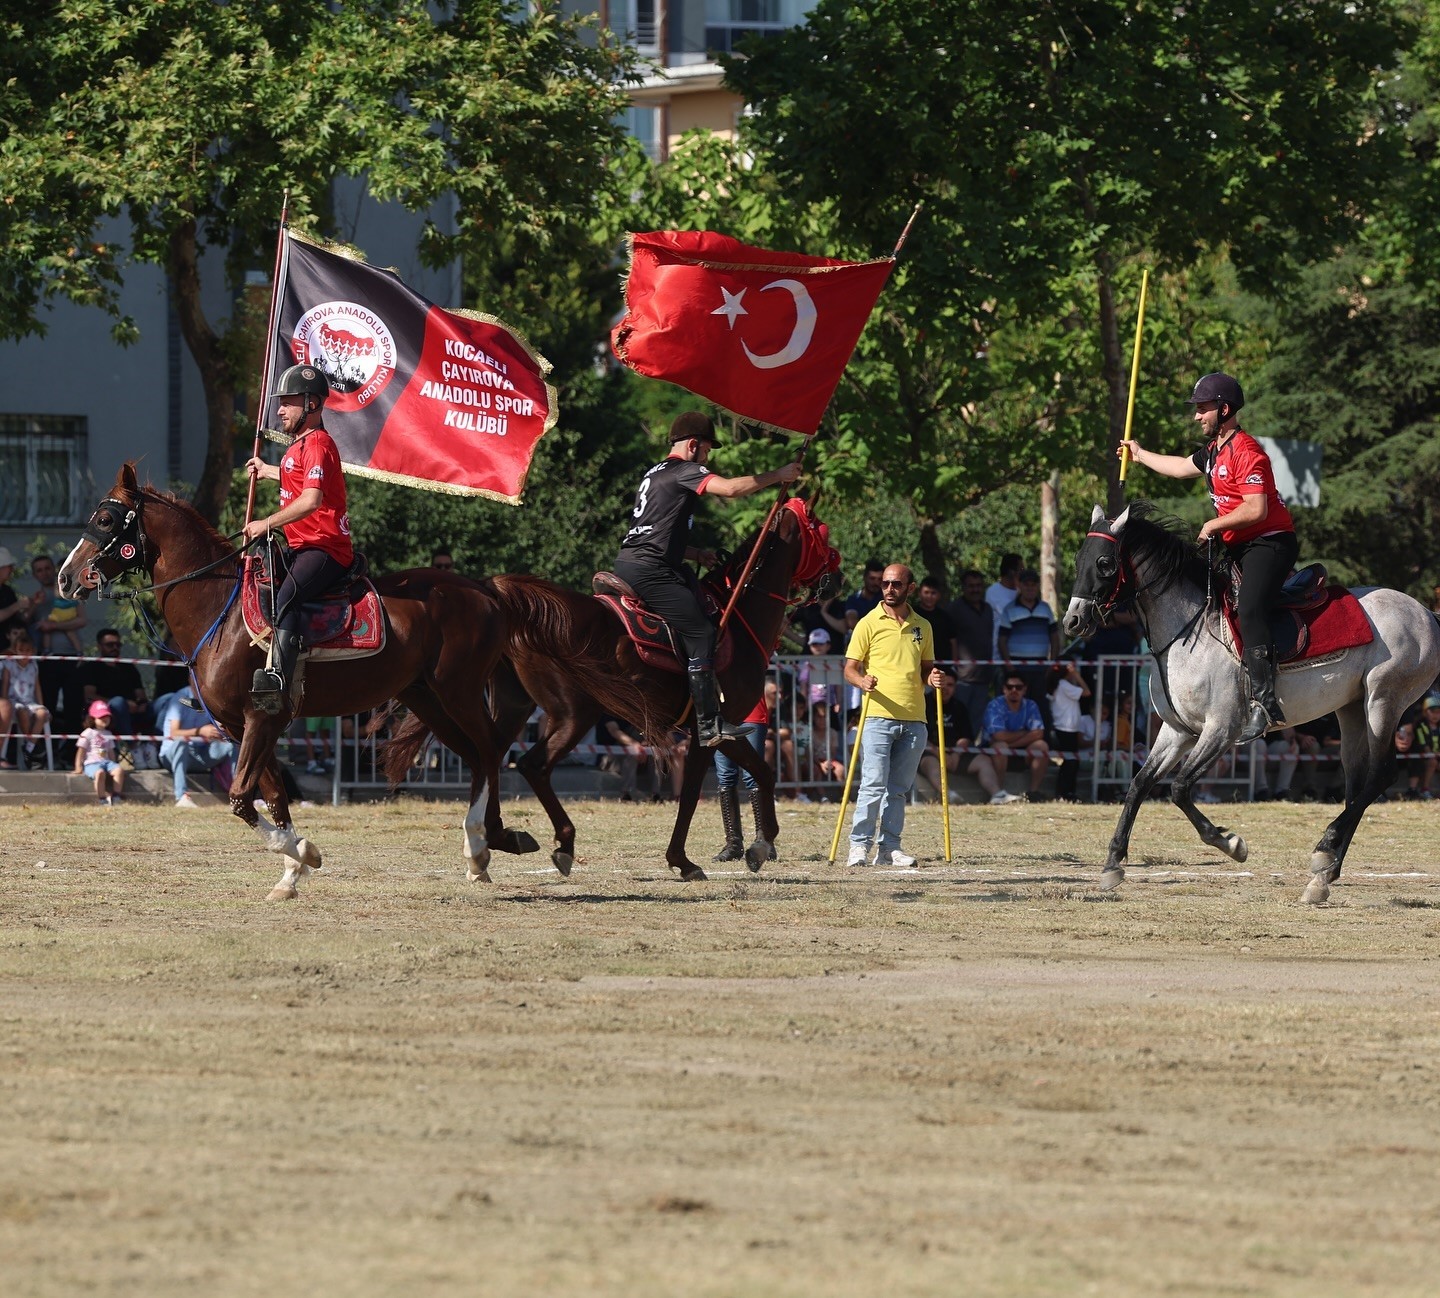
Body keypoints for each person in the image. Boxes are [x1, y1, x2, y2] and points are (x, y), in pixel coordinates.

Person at [1119, 371, 1298, 743]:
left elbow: (1257, 509)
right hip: (1240, 545)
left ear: (1225, 408)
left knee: (1248, 608)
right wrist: (1138, 455)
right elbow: (1182, 467)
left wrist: (1214, 524)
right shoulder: (1214, 449)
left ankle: (1266, 705)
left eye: (1203, 408)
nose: (1197, 416)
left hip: (1270, 542)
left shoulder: (1247, 452)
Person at [612, 411, 801, 747]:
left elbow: (654, 532)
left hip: (630, 562)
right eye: (708, 451)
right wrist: (779, 474)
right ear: (694, 445)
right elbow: (729, 489)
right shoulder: (685, 469)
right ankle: (709, 723)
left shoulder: (653, 473)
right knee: (701, 630)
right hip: (652, 570)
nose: (708, 457)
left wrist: (696, 554)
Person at [244, 362, 354, 713]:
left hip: (326, 547)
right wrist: (267, 471)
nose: (280, 409)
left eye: (288, 402)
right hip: (301, 546)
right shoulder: (298, 446)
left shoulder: (319, 444)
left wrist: (267, 523)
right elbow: (297, 481)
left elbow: (312, 499)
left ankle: (278, 680)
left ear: (312, 404)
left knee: (286, 595)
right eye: (281, 402)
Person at [842, 564, 945, 867]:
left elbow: (926, 669)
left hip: (915, 717)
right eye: (886, 584)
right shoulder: (867, 622)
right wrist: (861, 681)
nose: (889, 589)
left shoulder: (922, 626)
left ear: (910, 588)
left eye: (896, 584)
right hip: (877, 715)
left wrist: (933, 678)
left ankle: (889, 848)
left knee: (898, 789)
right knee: (872, 784)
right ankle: (859, 846)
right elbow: (849, 668)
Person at [969, 672, 1049, 804]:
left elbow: (1039, 733)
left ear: (1025, 689)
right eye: (1010, 687)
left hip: (1020, 752)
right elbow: (999, 736)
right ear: (1004, 689)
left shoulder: (1031, 705)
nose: (1014, 690)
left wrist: (1011, 745)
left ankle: (1033, 792)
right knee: (1000, 746)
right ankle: (998, 793)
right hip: (995, 753)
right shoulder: (994, 705)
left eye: (1018, 687)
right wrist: (1025, 733)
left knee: (1041, 746)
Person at [70, 628, 154, 754]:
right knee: (118, 702)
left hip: (134, 711)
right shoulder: (91, 668)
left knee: (166, 700)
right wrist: (124, 703)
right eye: (110, 645)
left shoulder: (129, 667)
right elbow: (90, 696)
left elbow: (141, 694)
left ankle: (152, 747)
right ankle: (134, 748)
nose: (115, 647)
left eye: (117, 644)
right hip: (108, 714)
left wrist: (141, 704)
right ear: (99, 646)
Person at [712, 693, 769, 862]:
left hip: (751, 711)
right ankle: (733, 844)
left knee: (753, 775)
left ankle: (763, 840)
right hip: (720, 715)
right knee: (725, 777)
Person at [157, 693, 236, 809]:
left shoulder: (212, 696)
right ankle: (181, 797)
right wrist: (200, 731)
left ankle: (238, 793)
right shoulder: (179, 698)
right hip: (172, 756)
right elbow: (174, 733)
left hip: (200, 753)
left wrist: (220, 731)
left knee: (232, 745)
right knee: (181, 742)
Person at [997, 568, 1059, 706]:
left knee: (1039, 707)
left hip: (1041, 669)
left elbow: (1054, 637)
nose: (1030, 588)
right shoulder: (1009, 609)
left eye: (1033, 584)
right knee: (1016, 707)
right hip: (1017, 669)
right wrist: (1010, 668)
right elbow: (1002, 641)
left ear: (1038, 586)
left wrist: (1051, 664)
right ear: (1019, 585)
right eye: (1026, 584)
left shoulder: (1045, 608)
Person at [946, 567, 993, 734]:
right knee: (957, 721)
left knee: (975, 722)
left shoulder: (987, 608)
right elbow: (948, 640)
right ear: (964, 587)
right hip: (961, 679)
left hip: (983, 677)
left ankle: (970, 755)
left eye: (979, 585)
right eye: (971, 586)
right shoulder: (954, 609)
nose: (975, 589)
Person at [916, 665, 972, 803]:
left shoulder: (959, 706)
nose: (945, 688)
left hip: (955, 754)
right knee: (931, 763)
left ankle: (998, 794)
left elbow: (966, 735)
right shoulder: (922, 703)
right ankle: (949, 795)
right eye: (942, 684)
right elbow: (919, 734)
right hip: (929, 753)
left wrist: (956, 754)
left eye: (950, 685)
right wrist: (941, 754)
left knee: (984, 762)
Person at [2, 630, 50, 769]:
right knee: (21, 711)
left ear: (33, 651)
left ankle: (28, 748)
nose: (24, 654)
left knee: (42, 713)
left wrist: (42, 705)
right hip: (14, 701)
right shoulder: (8, 665)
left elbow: (37, 686)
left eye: (28, 651)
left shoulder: (33, 665)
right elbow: (5, 686)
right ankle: (33, 747)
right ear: (15, 651)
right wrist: (5, 703)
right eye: (21, 650)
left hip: (30, 702)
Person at [1045, 659, 1091, 801]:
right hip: (1066, 729)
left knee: (1070, 761)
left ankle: (1065, 792)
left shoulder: (1059, 685)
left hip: (1065, 728)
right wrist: (1077, 675)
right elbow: (1087, 692)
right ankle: (1065, 793)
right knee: (1071, 762)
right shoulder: (1064, 685)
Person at [74, 699, 126, 805]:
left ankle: (116, 795)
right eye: (101, 717)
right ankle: (102, 798)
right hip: (92, 763)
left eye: (107, 716)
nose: (105, 719)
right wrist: (78, 766)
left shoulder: (109, 733)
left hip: (107, 762)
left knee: (119, 770)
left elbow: (110, 750)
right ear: (92, 718)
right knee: (99, 773)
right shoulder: (88, 732)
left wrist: (113, 763)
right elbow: (81, 751)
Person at [912, 575, 958, 665]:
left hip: (942, 665)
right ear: (919, 593)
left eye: (933, 593)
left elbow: (953, 642)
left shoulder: (945, 617)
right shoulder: (911, 614)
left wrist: (954, 664)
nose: (929, 596)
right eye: (926, 592)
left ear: (939, 595)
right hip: (917, 665)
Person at [985, 553, 1022, 655]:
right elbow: (1009, 613)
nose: (1023, 573)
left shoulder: (1023, 591)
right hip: (998, 652)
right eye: (1021, 569)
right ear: (1011, 571)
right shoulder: (993, 591)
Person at [1405, 694, 1440, 799]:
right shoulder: (1421, 725)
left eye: (1438, 712)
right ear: (1425, 712)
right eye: (1432, 712)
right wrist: (1431, 754)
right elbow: (1422, 742)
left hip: (1435, 755)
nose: (1436, 715)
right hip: (1423, 756)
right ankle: (1424, 789)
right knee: (1432, 762)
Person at [0, 546, 27, 642]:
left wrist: (34, 603)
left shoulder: (8, 591)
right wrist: (17, 605)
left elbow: (20, 619)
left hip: (9, 649)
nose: (12, 570)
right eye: (9, 567)